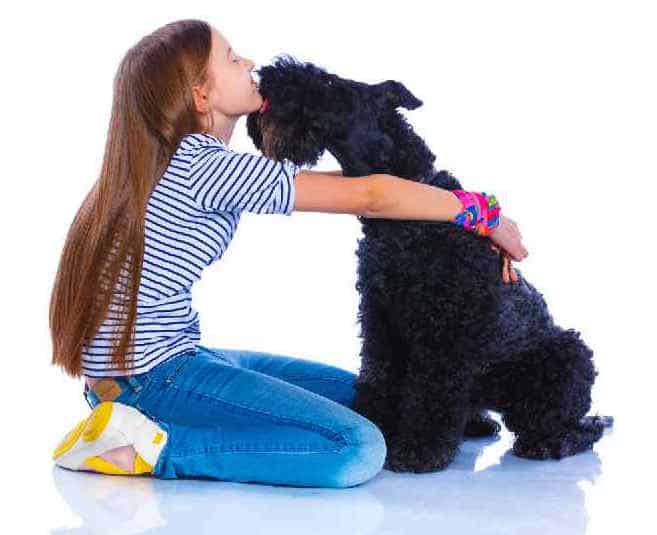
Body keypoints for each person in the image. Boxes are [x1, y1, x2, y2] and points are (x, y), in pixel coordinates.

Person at [50, 19, 528, 488]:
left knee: (375, 398)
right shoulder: (203, 166)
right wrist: (482, 214)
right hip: (153, 380)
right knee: (356, 447)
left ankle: (141, 420)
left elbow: (359, 187)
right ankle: (146, 451)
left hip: (168, 363)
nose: (250, 64)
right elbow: (371, 197)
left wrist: (448, 209)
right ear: (201, 95)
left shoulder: (177, 159)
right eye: (233, 59)